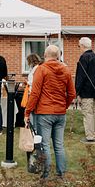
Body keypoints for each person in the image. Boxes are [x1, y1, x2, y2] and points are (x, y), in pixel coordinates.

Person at [24, 45, 75, 178]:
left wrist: (27, 112)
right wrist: (65, 106)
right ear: (58, 56)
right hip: (60, 112)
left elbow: (35, 93)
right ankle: (61, 174)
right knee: (59, 145)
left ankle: (45, 175)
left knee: (45, 145)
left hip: (44, 111)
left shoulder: (41, 69)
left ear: (45, 56)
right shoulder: (66, 70)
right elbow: (71, 93)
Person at [75, 37, 95, 143]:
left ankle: (90, 136)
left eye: (79, 46)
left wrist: (77, 91)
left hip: (86, 91)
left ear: (82, 46)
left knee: (88, 113)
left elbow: (80, 76)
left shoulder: (84, 58)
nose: (79, 48)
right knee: (94, 112)